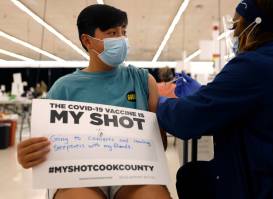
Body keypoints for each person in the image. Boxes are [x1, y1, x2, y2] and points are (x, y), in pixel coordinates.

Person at [17, 4, 171, 199]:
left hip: (134, 173)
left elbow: (160, 145)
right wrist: (30, 154)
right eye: (112, 33)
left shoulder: (142, 80)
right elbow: (44, 148)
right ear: (87, 40)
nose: (121, 40)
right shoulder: (64, 88)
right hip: (78, 174)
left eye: (124, 32)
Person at [157, 0, 273, 198]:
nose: (233, 33)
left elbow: (187, 121)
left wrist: (159, 102)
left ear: (254, 24)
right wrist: (208, 96)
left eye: (235, 25)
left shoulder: (254, 64)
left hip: (262, 183)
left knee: (190, 177)